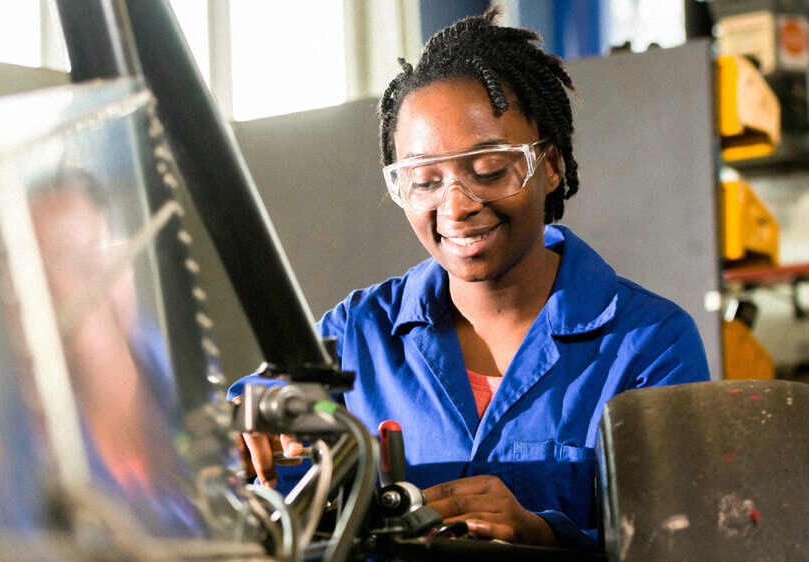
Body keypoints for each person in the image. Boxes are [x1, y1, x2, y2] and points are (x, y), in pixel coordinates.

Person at [231, 8, 709, 550]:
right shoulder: (358, 336)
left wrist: (542, 536)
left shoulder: (649, 344)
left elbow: (685, 543)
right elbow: (256, 419)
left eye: (488, 170)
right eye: (425, 180)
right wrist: (250, 432)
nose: (455, 206)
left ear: (548, 165)